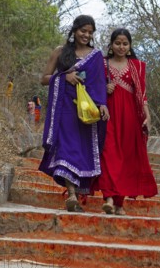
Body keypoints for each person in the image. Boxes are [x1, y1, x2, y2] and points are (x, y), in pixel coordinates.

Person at [39, 15, 110, 212]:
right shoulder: (60, 52)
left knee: (81, 150)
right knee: (67, 149)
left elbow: (98, 84)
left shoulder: (96, 56)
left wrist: (102, 104)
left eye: (90, 32)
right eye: (83, 30)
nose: (86, 35)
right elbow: (44, 79)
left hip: (86, 111)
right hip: (64, 108)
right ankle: (71, 194)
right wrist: (64, 76)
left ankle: (76, 194)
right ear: (74, 30)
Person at [93, 28, 158, 215]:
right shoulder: (102, 64)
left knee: (126, 159)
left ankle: (119, 203)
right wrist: (104, 88)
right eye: (117, 43)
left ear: (129, 46)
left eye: (125, 43)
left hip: (130, 119)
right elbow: (93, 87)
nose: (121, 47)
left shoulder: (137, 66)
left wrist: (147, 116)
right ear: (111, 45)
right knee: (108, 154)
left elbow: (143, 95)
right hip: (107, 116)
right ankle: (109, 198)